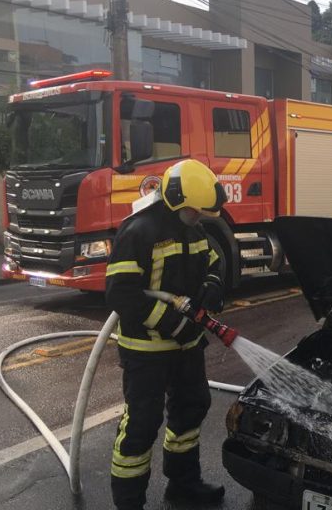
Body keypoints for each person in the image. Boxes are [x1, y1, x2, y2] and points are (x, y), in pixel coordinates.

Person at [105, 159, 228, 510]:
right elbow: (120, 293)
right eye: (193, 212)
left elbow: (213, 263)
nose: (197, 217)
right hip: (146, 351)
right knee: (142, 423)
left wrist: (214, 285)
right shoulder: (138, 232)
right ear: (174, 200)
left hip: (187, 346)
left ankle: (183, 486)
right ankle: (129, 503)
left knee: (190, 410)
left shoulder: (193, 230)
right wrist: (171, 323)